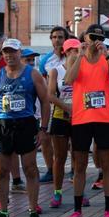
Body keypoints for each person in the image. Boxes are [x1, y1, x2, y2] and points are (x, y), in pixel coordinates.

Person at [0, 39, 50, 217]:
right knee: (2, 171)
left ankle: (33, 211)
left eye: (13, 52)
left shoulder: (32, 74)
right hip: (2, 125)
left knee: (30, 168)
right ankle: (3, 212)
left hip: (26, 124)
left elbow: (45, 101)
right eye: (5, 52)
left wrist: (43, 129)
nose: (9, 56)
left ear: (20, 53)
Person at [63, 24, 109, 217]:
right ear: (85, 37)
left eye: (100, 37)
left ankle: (108, 211)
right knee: (80, 165)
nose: (96, 40)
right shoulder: (75, 58)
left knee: (107, 164)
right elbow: (68, 79)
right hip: (81, 118)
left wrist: (107, 55)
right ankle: (77, 211)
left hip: (104, 118)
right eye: (93, 36)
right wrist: (80, 56)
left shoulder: (107, 58)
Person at [47, 38, 85, 210]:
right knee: (60, 158)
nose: (75, 54)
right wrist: (67, 107)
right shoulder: (56, 71)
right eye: (72, 51)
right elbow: (50, 96)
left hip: (80, 117)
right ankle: (57, 192)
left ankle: (80, 193)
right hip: (61, 116)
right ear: (65, 52)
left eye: (78, 51)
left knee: (79, 158)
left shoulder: (83, 69)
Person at [37, 27, 69, 184]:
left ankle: (73, 171)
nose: (57, 40)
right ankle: (50, 169)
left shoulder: (70, 56)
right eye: (54, 37)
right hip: (49, 104)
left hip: (69, 103)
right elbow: (41, 81)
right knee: (46, 138)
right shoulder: (45, 60)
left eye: (60, 37)